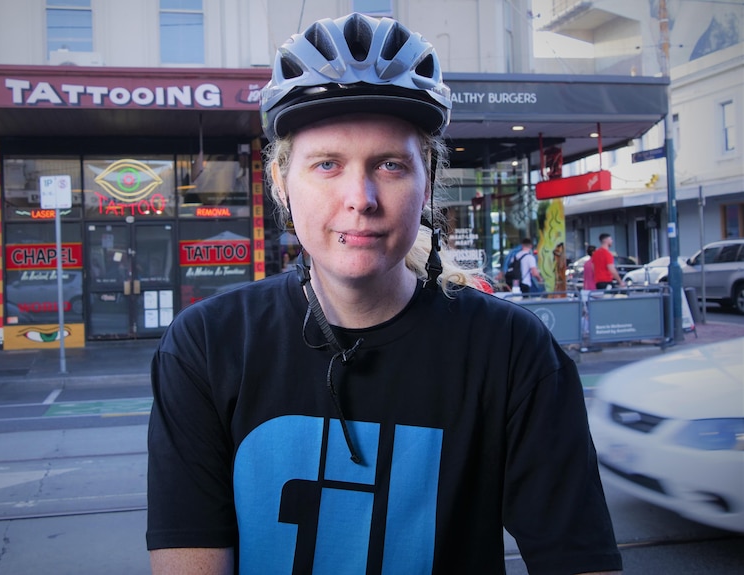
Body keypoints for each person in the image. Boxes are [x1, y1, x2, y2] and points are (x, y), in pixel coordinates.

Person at [147, 13, 622, 575]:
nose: (361, 197)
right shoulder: (208, 345)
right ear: (280, 181)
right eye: (327, 164)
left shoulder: (513, 353)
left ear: (427, 182)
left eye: (390, 165)